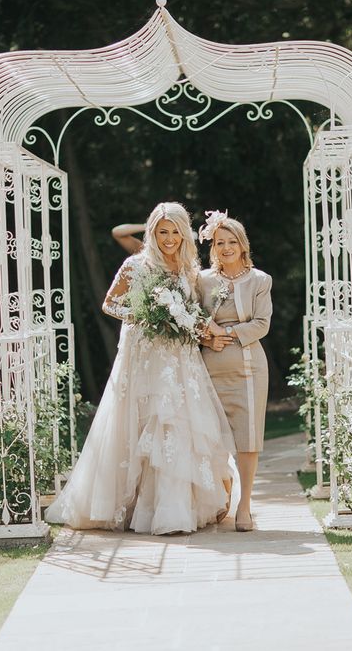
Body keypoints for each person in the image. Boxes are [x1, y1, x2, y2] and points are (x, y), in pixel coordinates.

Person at [46, 202, 235, 535]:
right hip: (144, 356)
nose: (169, 238)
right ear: (152, 232)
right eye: (163, 232)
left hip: (179, 360)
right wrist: (146, 314)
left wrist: (200, 329)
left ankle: (174, 509)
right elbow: (110, 304)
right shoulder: (136, 264)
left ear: (183, 234)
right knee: (139, 422)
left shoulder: (190, 269)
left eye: (175, 232)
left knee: (177, 423)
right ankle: (131, 506)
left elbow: (191, 313)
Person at [198, 211, 272, 533]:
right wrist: (206, 336)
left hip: (248, 369)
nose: (226, 248)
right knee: (211, 437)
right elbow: (193, 318)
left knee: (248, 438)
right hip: (208, 369)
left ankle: (245, 506)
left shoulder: (260, 280)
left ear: (243, 245)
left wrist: (226, 336)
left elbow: (262, 323)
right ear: (213, 246)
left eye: (232, 242)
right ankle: (221, 498)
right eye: (219, 242)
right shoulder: (202, 280)